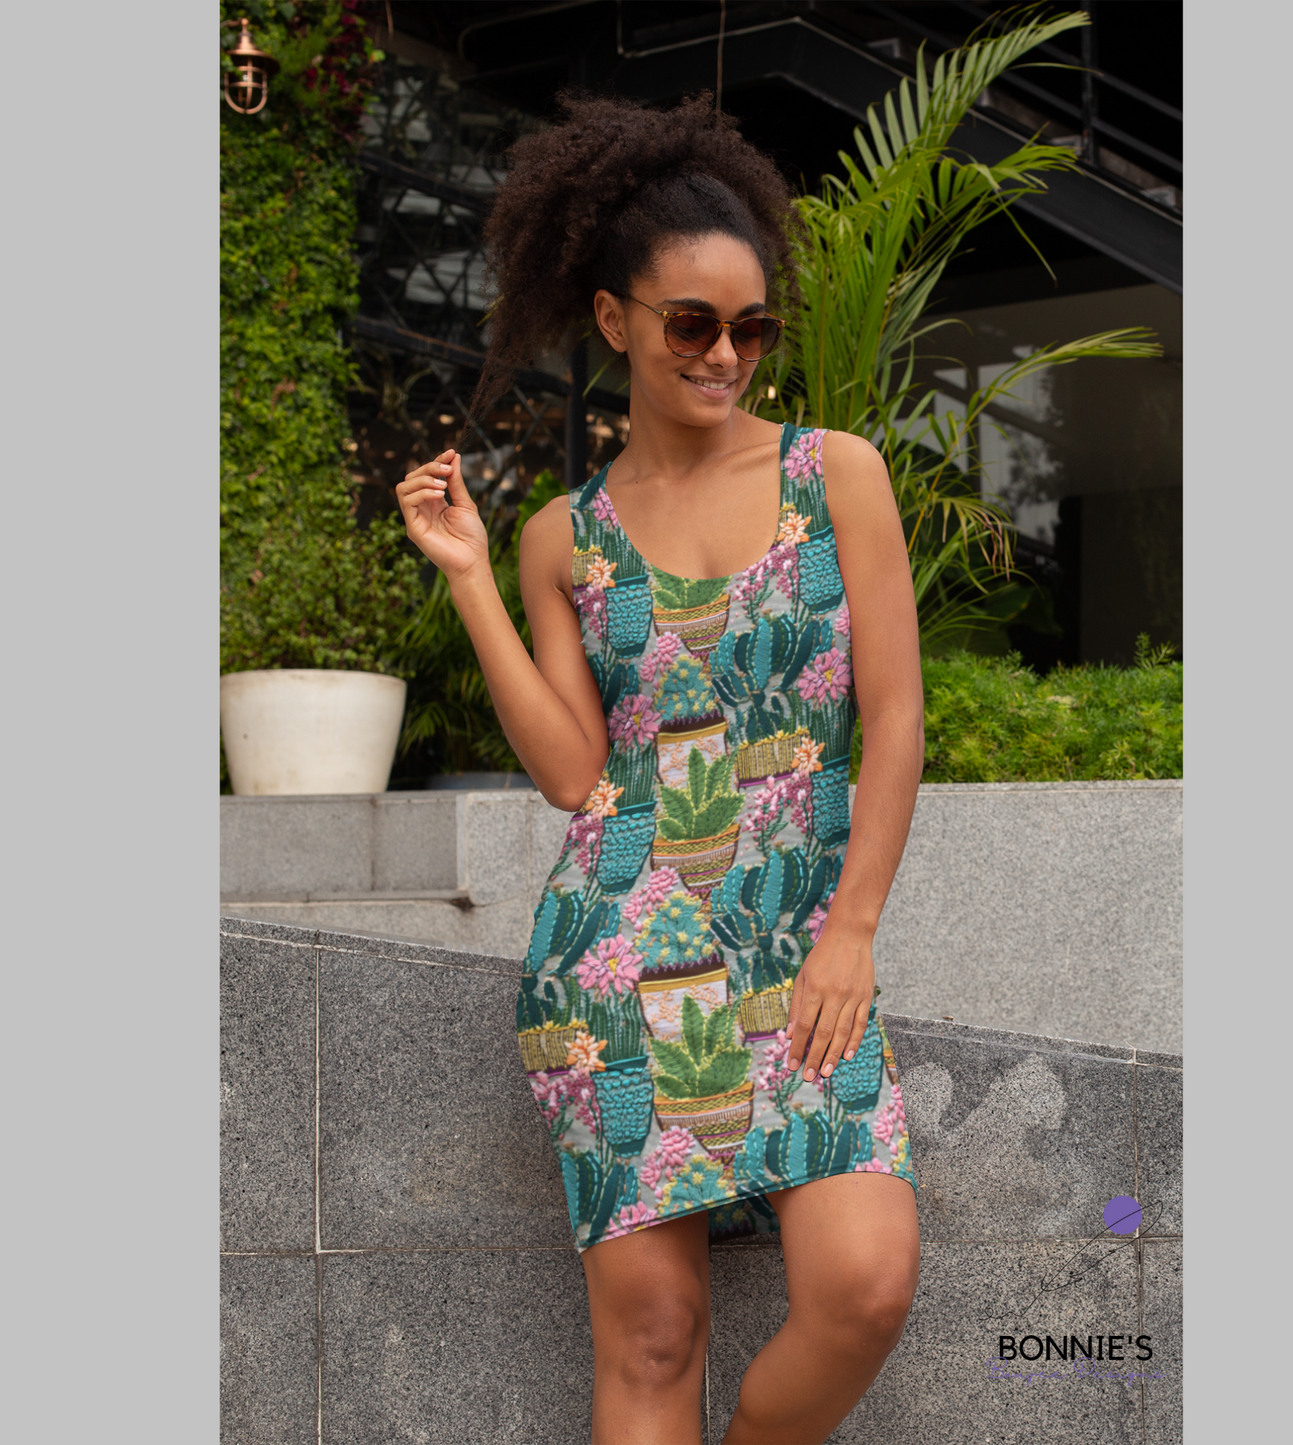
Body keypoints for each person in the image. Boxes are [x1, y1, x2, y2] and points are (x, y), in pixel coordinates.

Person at [396, 91, 925, 1445]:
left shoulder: (836, 476)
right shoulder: (561, 538)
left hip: (803, 951)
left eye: (752, 328)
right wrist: (471, 579)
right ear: (615, 318)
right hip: (622, 955)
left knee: (864, 1286)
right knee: (653, 1337)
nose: (726, 355)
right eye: (692, 324)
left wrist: (853, 930)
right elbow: (577, 776)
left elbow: (897, 718)